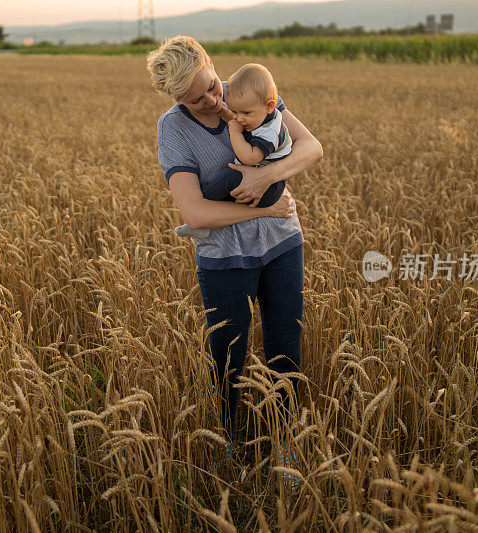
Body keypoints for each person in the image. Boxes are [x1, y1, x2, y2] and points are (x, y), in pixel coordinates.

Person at [146, 36, 323, 482]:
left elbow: (311, 147)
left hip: (282, 243)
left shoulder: (247, 89)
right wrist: (263, 204)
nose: (210, 101)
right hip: (224, 257)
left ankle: (284, 445)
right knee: (228, 355)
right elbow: (194, 212)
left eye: (210, 86)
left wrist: (267, 174)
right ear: (176, 99)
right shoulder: (173, 129)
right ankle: (230, 441)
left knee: (285, 344)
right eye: (193, 98)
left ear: (212, 65)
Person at [175, 62, 291, 240]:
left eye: (244, 113)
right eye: (235, 111)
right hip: (266, 182)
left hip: (270, 188)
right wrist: (227, 114)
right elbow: (246, 126)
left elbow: (250, 157)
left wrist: (234, 131)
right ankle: (203, 222)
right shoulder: (261, 114)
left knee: (230, 176)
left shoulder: (270, 130)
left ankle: (204, 208)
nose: (239, 118)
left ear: (269, 105)